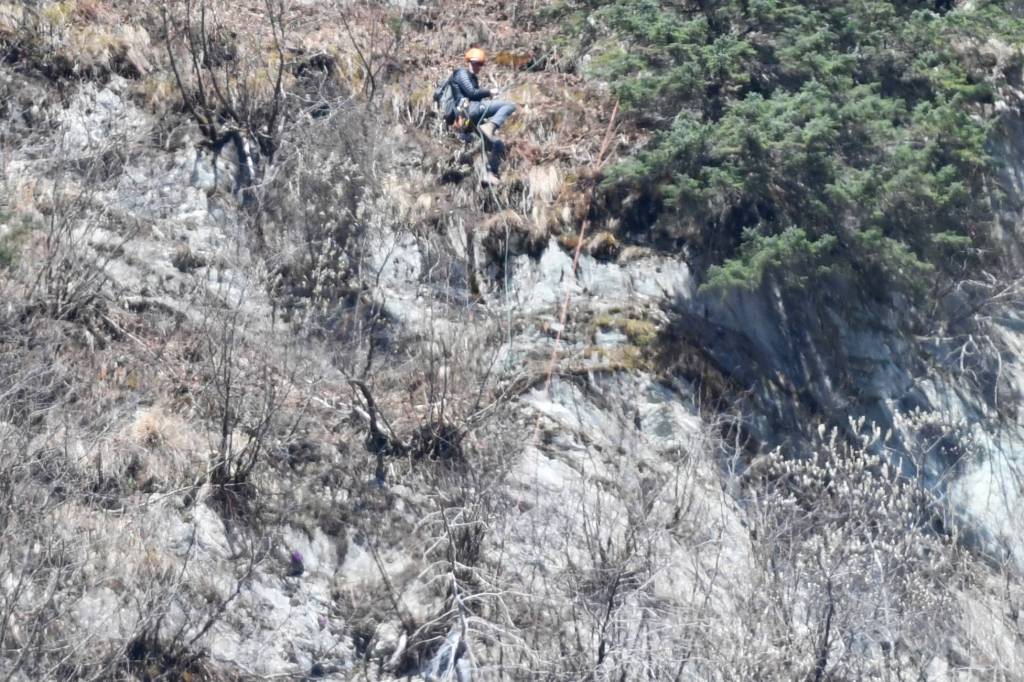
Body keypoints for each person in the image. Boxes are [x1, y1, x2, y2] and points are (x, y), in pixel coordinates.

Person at [451, 48, 517, 183]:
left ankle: (489, 173)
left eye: (480, 64)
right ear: (469, 61)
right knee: (509, 105)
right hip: (468, 112)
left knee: (496, 144)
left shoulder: (472, 77)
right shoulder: (461, 73)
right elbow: (471, 93)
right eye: (475, 63)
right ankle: (490, 126)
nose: (477, 66)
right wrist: (489, 92)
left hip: (471, 117)